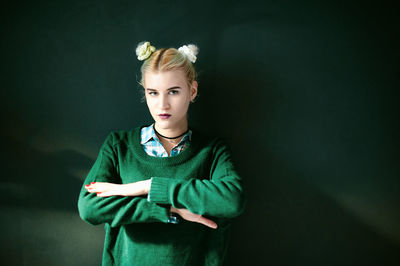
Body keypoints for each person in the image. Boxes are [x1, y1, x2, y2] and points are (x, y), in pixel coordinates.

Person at [78, 41, 246, 266]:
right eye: (153, 93)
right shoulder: (118, 145)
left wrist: (149, 186)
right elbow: (89, 207)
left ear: (192, 91)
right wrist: (168, 209)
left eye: (173, 92)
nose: (162, 104)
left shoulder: (213, 150)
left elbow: (231, 200)